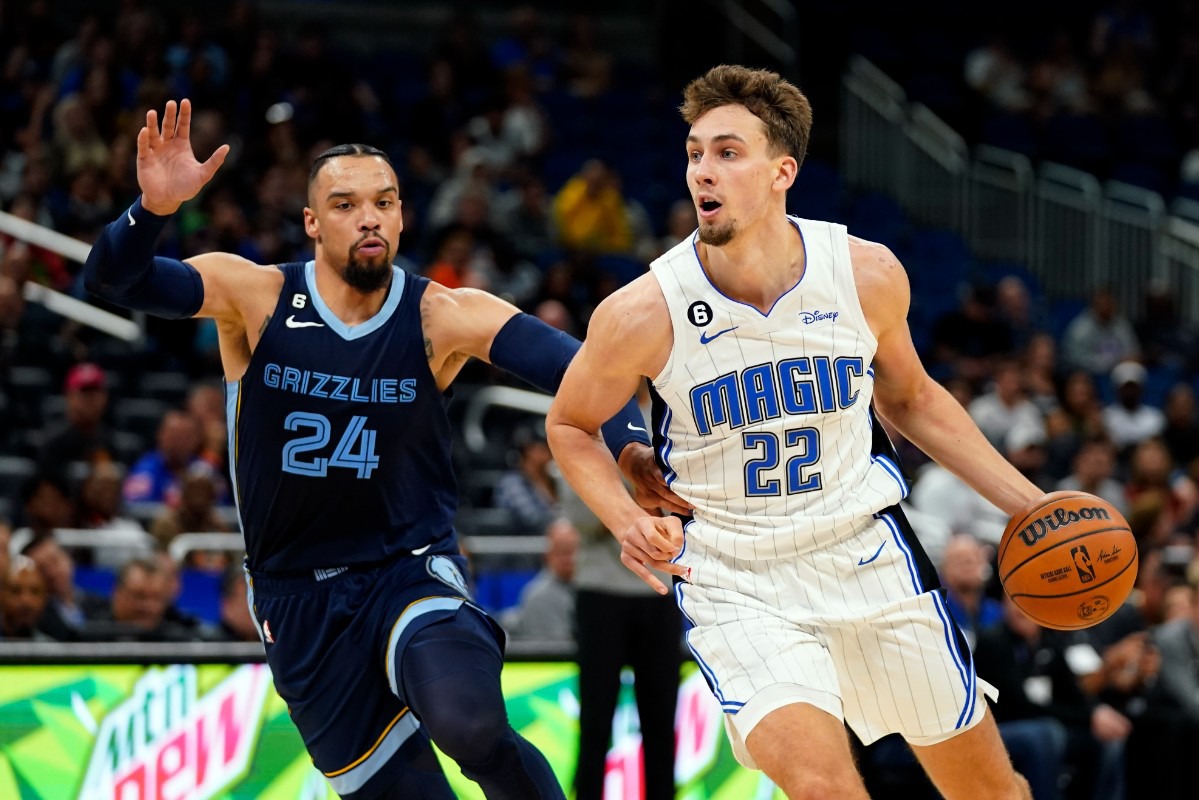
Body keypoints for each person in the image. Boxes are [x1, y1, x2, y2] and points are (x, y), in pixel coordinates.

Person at [82, 98, 670, 799]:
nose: (368, 216)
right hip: (295, 598)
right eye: (345, 204)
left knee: (471, 724)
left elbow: (586, 369)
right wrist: (150, 211)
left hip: (408, 571)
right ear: (311, 223)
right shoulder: (256, 295)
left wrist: (632, 451)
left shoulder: (438, 317)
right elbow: (113, 279)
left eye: (384, 202)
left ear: (399, 216)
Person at [545, 64, 1046, 799]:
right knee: (824, 790)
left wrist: (1031, 505)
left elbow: (909, 399)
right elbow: (568, 422)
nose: (701, 171)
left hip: (865, 555)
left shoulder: (865, 273)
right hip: (735, 577)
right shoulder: (640, 310)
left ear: (783, 171)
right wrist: (623, 517)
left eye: (726, 152)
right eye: (693, 153)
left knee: (992, 793)